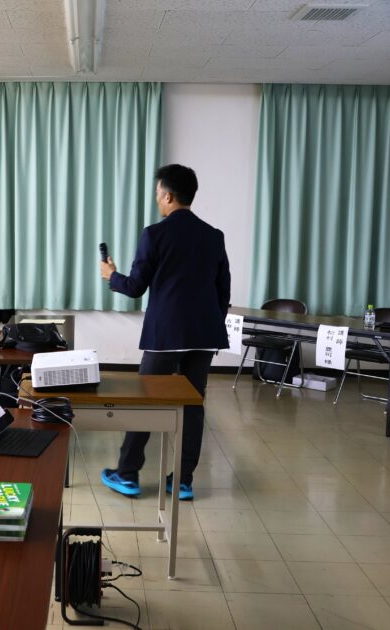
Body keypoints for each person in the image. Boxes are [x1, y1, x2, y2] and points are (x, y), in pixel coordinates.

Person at [99, 164, 231, 501]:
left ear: (168, 196)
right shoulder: (213, 236)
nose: (157, 199)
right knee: (193, 404)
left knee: (145, 401)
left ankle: (127, 474)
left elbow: (134, 287)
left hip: (166, 335)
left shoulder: (154, 234)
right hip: (204, 335)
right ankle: (182, 481)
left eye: (158, 194)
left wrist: (111, 275)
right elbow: (223, 292)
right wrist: (211, 323)